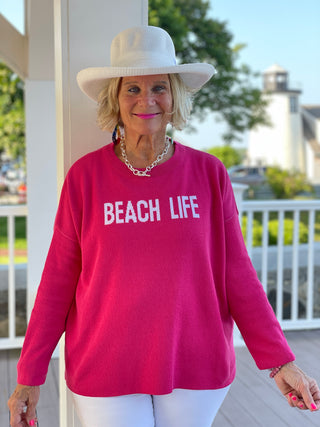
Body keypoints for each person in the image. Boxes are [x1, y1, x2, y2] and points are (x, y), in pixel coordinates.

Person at [8, 25, 320, 427]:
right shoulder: (85, 178)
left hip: (196, 362)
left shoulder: (210, 174)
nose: (146, 100)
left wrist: (281, 361)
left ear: (175, 97)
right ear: (115, 99)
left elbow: (237, 274)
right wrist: (29, 377)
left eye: (159, 87)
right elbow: (56, 283)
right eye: (132, 89)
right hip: (106, 365)